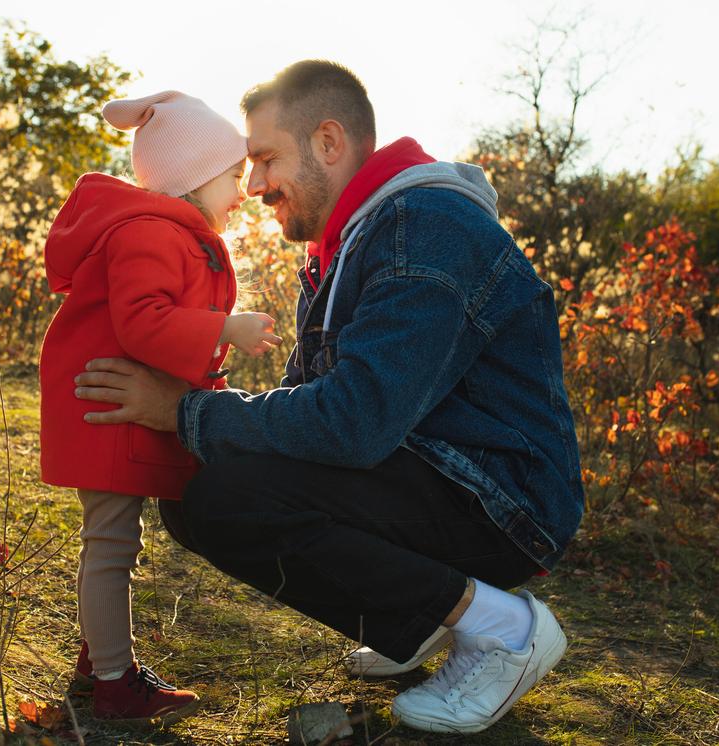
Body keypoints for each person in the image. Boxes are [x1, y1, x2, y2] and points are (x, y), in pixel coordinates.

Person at [72, 61, 584, 735]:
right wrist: (194, 414)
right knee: (200, 487)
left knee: (226, 496)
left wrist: (183, 412)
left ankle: (504, 630)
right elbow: (303, 405)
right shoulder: (347, 244)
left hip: (502, 498)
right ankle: (422, 622)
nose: (252, 185)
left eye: (264, 159)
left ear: (329, 143)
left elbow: (354, 421)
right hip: (431, 472)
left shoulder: (424, 228)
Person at [38, 90, 281, 723]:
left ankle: (99, 665)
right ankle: (116, 684)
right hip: (106, 409)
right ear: (195, 178)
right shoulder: (148, 232)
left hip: (118, 408)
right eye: (232, 176)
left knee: (115, 541)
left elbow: (160, 330)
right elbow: (145, 325)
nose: (244, 190)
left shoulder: (169, 231)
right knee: (112, 542)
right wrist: (224, 329)